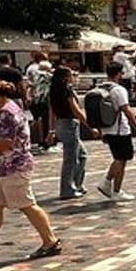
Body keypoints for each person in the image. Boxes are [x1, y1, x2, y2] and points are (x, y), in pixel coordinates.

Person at [0, 75, 62, 263]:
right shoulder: (0, 110)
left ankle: (50, 241)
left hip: (12, 166)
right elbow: (1, 137)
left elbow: (7, 143)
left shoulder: (6, 112)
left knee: (27, 205)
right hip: (2, 168)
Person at [96, 63, 136, 202]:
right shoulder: (118, 90)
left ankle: (107, 184)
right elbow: (126, 110)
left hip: (106, 127)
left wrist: (101, 131)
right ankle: (115, 190)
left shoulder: (100, 87)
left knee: (118, 158)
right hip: (119, 129)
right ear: (119, 73)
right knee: (122, 159)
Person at [47, 66, 99, 200]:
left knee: (81, 155)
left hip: (61, 124)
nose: (74, 77)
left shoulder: (53, 90)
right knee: (70, 159)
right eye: (72, 75)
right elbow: (75, 110)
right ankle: (67, 189)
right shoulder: (66, 90)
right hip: (69, 124)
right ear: (66, 77)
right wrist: (90, 126)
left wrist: (51, 130)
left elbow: (51, 112)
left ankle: (77, 184)